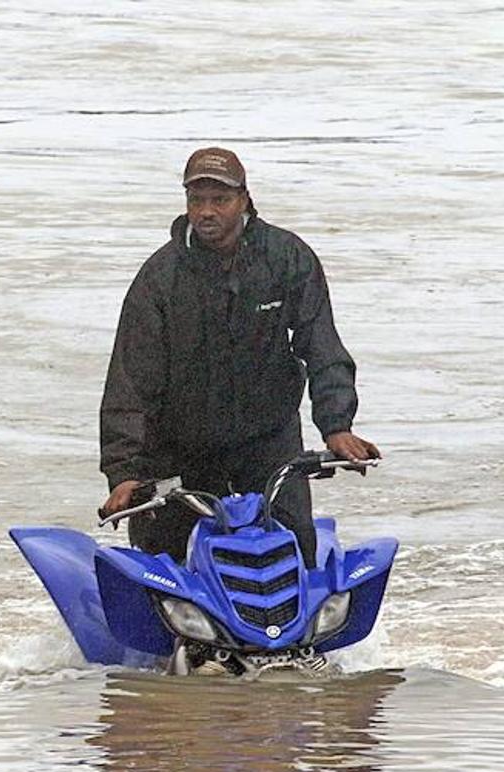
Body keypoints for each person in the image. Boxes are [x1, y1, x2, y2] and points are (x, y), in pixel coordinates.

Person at [98, 147, 379, 565]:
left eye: (220, 200)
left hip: (267, 442)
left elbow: (320, 343)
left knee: (296, 551)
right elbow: (130, 382)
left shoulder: (286, 258)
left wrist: (336, 426)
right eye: (196, 200)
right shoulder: (159, 277)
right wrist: (124, 474)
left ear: (244, 200)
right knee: (163, 561)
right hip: (178, 449)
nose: (206, 211)